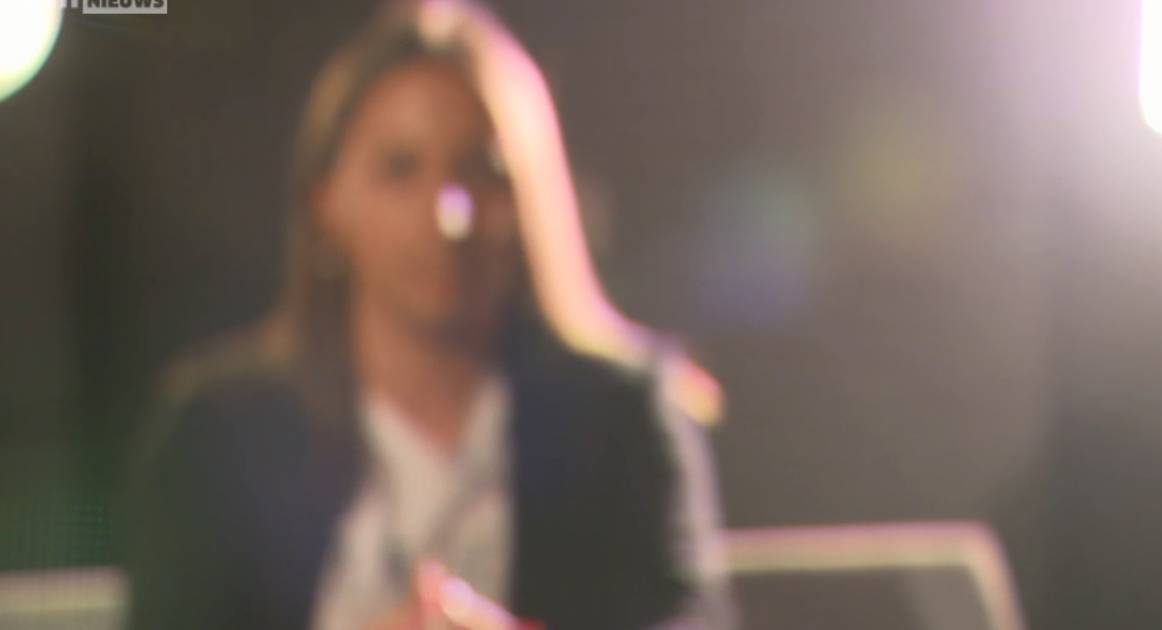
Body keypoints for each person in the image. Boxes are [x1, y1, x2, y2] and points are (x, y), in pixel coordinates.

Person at [125, 1, 732, 629]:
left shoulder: (625, 424)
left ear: (531, 199)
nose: (448, 218)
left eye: (484, 171)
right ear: (326, 204)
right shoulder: (215, 442)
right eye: (400, 170)